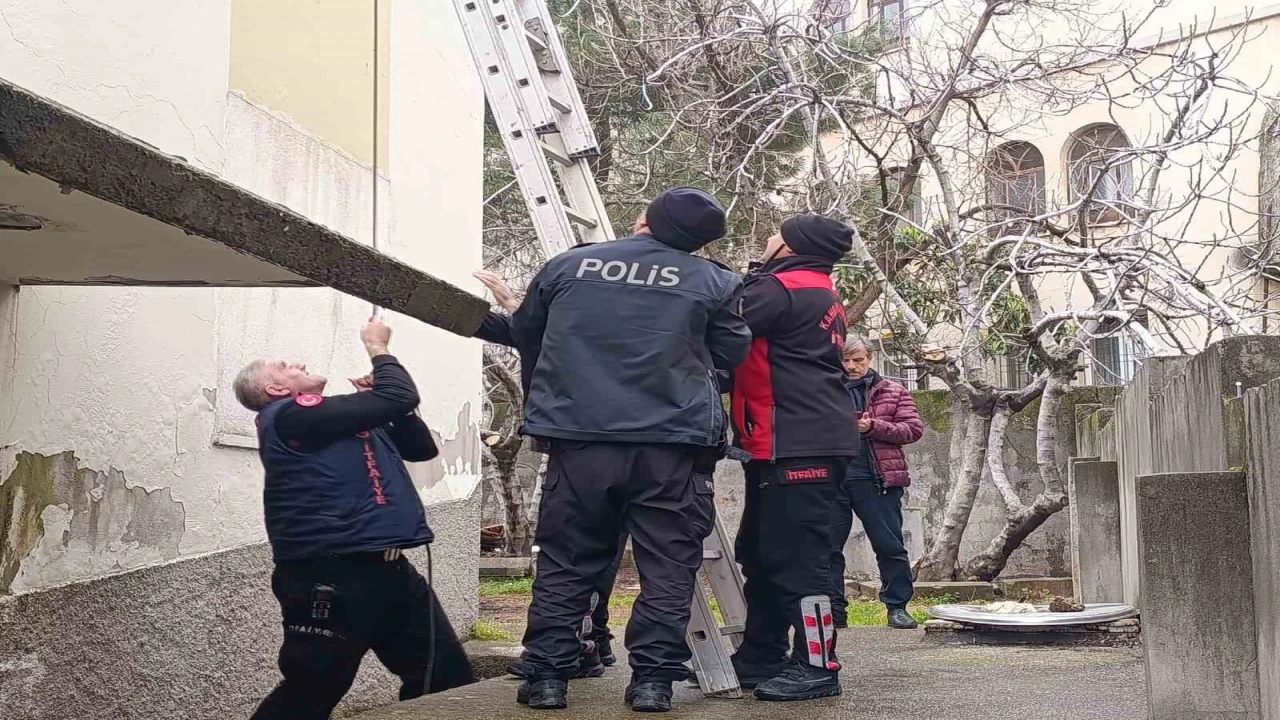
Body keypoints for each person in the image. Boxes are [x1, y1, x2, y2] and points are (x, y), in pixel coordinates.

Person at [501, 187, 751, 712]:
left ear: (648, 221)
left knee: (567, 561)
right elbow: (731, 352)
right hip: (672, 446)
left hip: (581, 441)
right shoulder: (716, 280)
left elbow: (527, 331)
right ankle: (653, 683)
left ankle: (547, 675)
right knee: (668, 565)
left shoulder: (571, 265)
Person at [238, 317, 475, 720]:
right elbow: (399, 394)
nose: (296, 362)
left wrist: (387, 408)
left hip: (390, 570)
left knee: (444, 674)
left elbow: (420, 448)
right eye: (283, 366)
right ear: (276, 390)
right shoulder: (290, 416)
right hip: (330, 573)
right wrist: (379, 350)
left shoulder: (336, 418)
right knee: (312, 688)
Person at [728, 214, 858, 702]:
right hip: (786, 440)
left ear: (792, 245)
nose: (766, 238)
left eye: (775, 234)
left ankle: (818, 665)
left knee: (801, 561)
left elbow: (717, 320)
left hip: (798, 442)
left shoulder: (783, 289)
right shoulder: (813, 287)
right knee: (764, 554)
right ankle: (761, 654)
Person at [472, 269, 624, 679]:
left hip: (593, 447)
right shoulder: (543, 329)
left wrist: (513, 302)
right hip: (573, 444)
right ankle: (595, 641)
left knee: (580, 554)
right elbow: (491, 324)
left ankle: (584, 646)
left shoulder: (589, 332)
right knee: (590, 552)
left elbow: (526, 327)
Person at [830, 334, 925, 630]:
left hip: (877, 479)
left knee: (890, 546)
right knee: (827, 548)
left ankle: (897, 607)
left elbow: (913, 430)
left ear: (870, 359)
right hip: (831, 480)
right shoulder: (824, 391)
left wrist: (873, 426)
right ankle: (834, 611)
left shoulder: (892, 391)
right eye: (844, 360)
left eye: (857, 360)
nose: (851, 366)